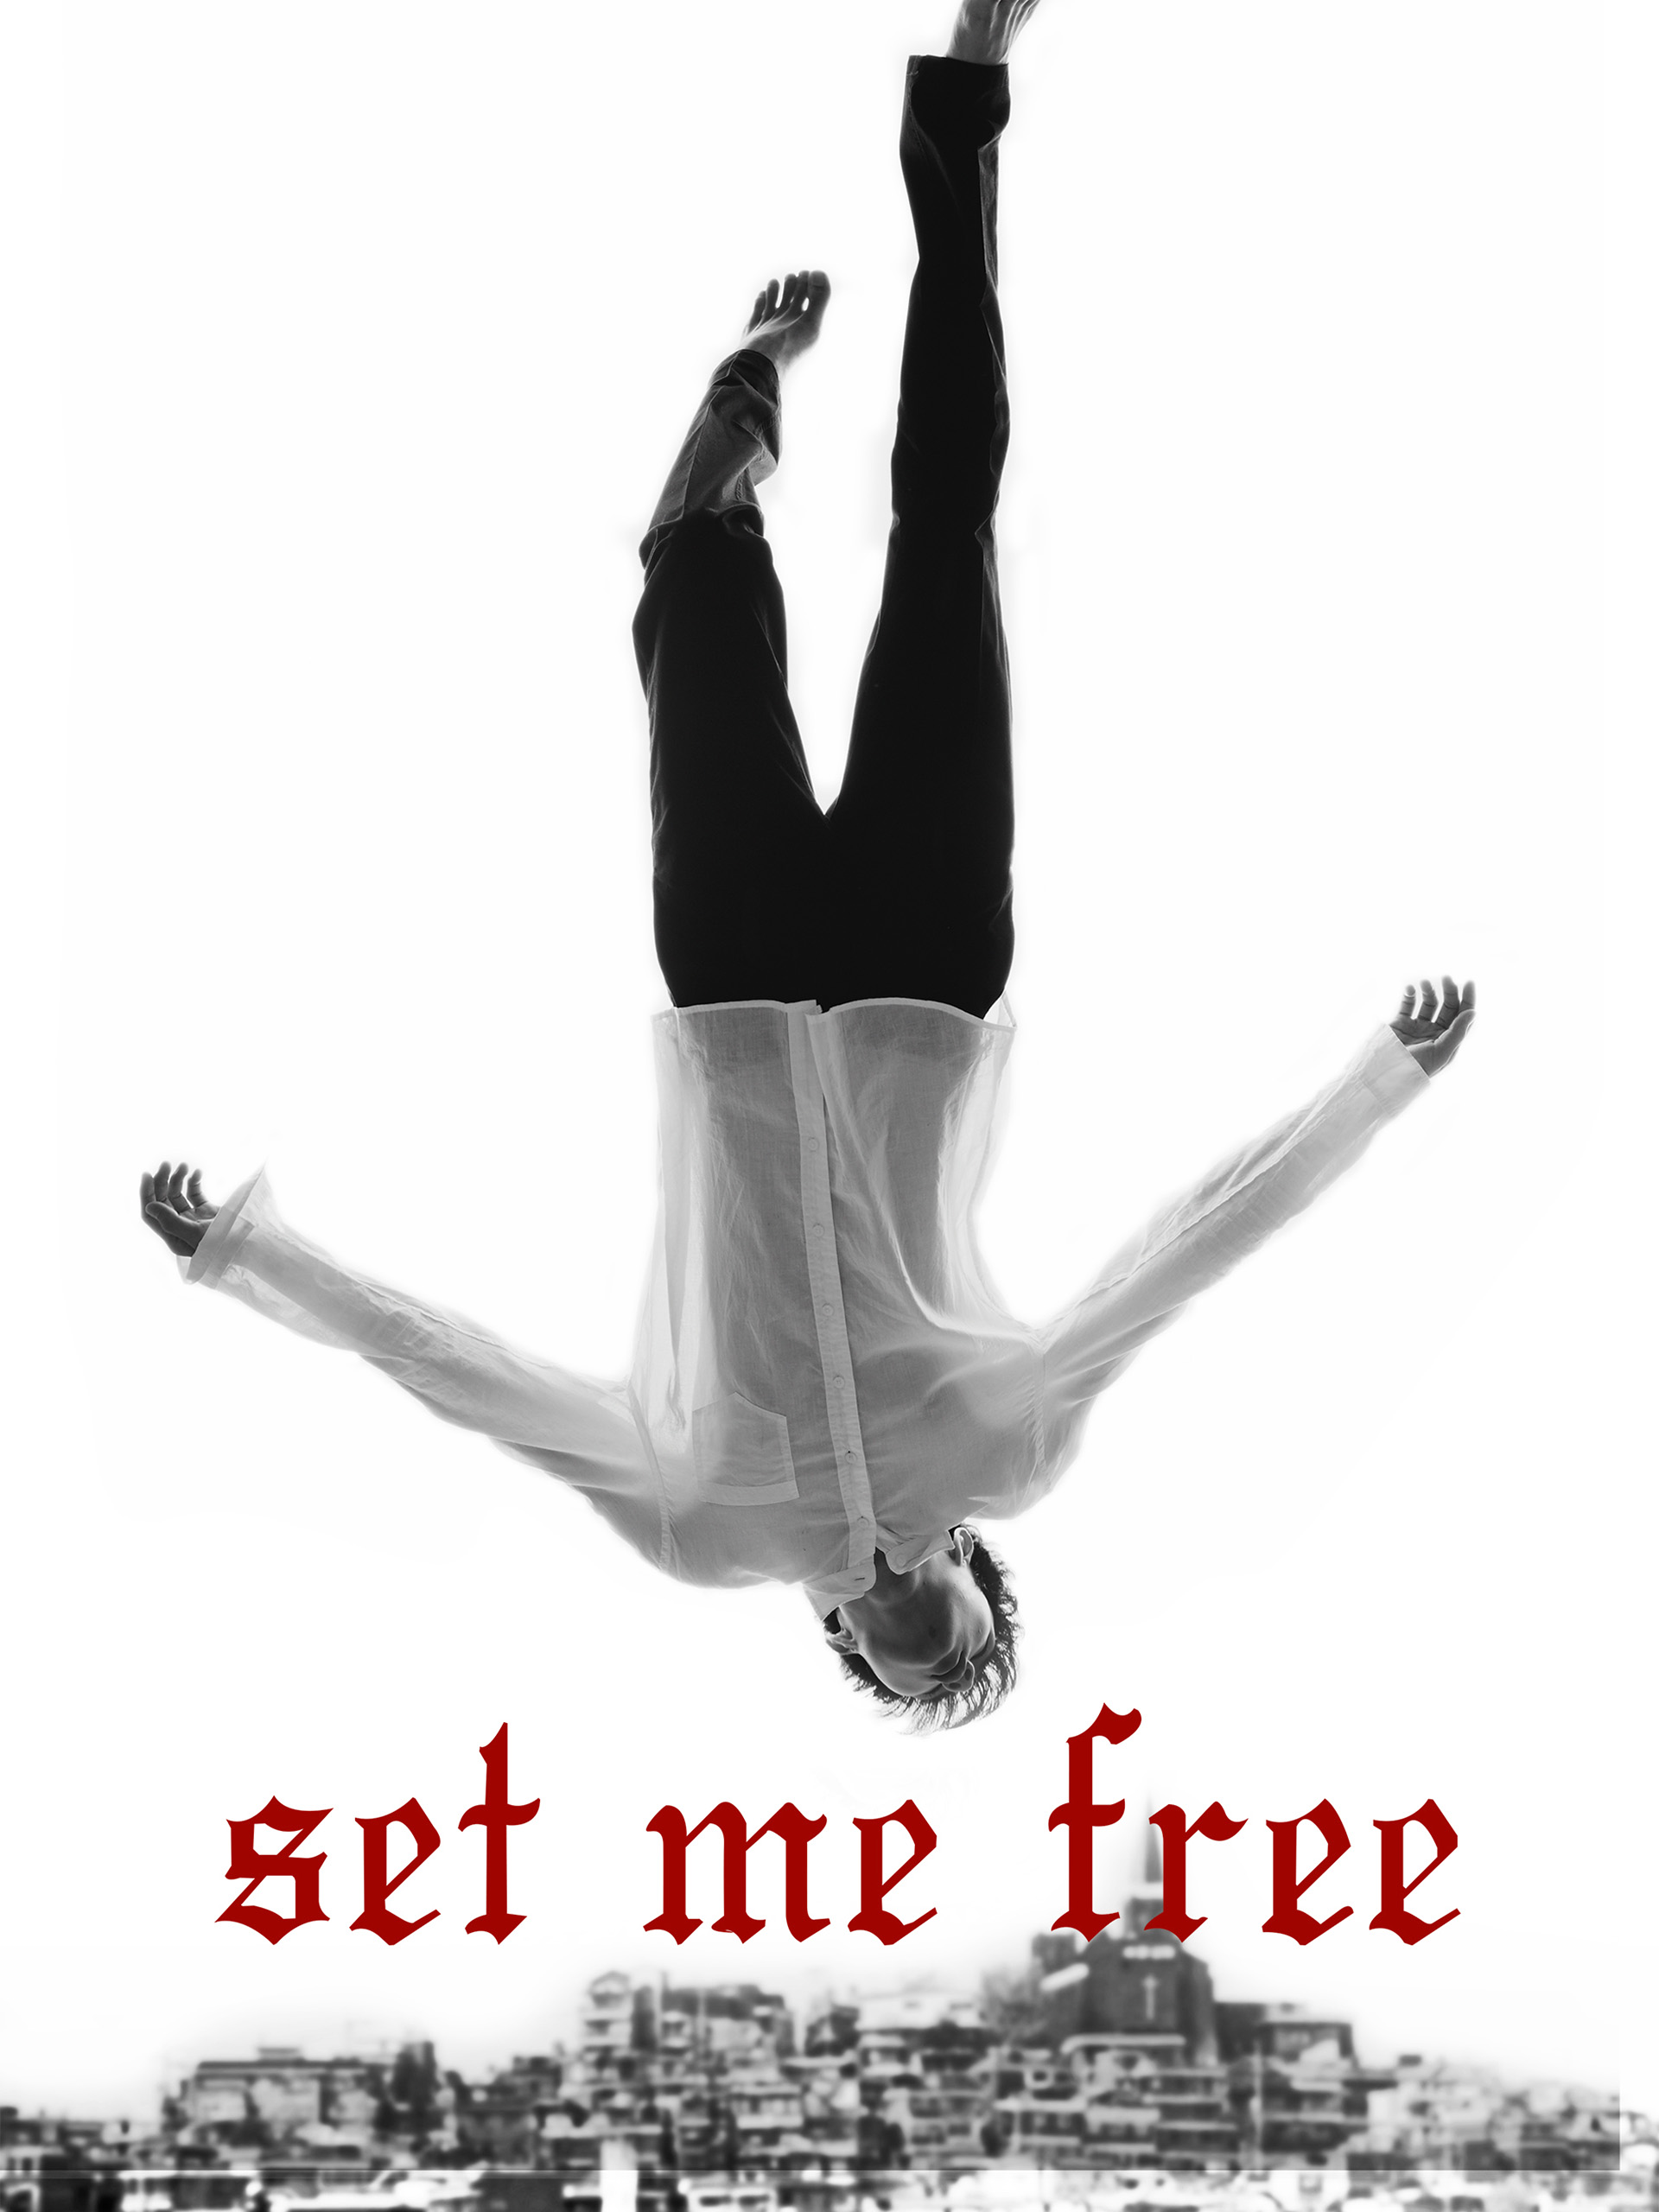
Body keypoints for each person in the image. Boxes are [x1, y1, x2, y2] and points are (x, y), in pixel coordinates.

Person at [141, 0, 1475, 1730]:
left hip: (741, 990)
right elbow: (1183, 1254)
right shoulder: (1006, 1448)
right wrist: (1377, 1084)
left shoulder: (705, 1529)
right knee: (947, 530)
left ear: (840, 1643)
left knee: (688, 568)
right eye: (971, 1652)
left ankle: (745, 392)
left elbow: (461, 1374)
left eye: (904, 1672)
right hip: (925, 977)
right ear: (983, 1586)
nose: (934, 1652)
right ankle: (967, 99)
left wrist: (246, 1256)